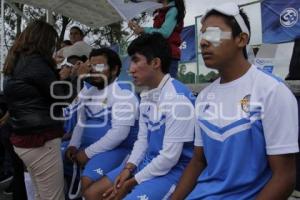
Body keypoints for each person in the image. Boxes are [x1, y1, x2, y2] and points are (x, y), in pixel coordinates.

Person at [171, 2, 299, 200]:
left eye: (213, 34)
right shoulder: (204, 96)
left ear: (241, 39)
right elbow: (198, 161)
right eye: (202, 35)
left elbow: (284, 177)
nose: (203, 42)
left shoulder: (272, 92)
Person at [83, 32, 195, 200]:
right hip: (148, 162)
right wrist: (128, 169)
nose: (130, 69)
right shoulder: (146, 95)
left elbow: (169, 158)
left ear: (156, 63)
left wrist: (132, 182)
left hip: (173, 170)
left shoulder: (177, 99)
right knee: (93, 194)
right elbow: (142, 140)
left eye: (136, 61)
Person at [3, 20, 66, 200]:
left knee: (40, 194)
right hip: (40, 139)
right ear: (44, 41)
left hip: (24, 138)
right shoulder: (36, 63)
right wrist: (71, 76)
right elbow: (61, 97)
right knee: (53, 197)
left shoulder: (15, 62)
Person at [63, 48, 139, 192]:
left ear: (114, 70)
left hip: (116, 149)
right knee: (52, 162)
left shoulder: (123, 93)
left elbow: (119, 134)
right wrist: (73, 145)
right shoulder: (89, 89)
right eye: (91, 66)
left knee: (88, 181)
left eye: (100, 66)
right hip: (84, 147)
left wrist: (87, 153)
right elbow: (80, 121)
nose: (94, 71)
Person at [128, 0, 185, 78]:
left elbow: (164, 33)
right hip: (159, 53)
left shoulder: (173, 10)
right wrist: (139, 28)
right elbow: (156, 31)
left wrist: (143, 30)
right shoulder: (159, 11)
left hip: (169, 55)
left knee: (167, 85)